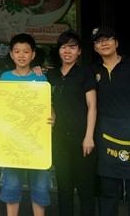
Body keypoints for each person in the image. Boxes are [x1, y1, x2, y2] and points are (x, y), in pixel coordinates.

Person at [91, 26, 130, 216]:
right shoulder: (93, 70)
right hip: (107, 136)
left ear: (116, 43)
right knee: (108, 192)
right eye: (99, 41)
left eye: (108, 39)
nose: (104, 43)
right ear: (95, 48)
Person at [0, 33, 52, 216]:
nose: (21, 55)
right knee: (11, 186)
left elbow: (48, 107)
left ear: (33, 54)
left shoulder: (41, 79)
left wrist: (52, 118)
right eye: (17, 51)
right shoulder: (4, 78)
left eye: (26, 51)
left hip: (36, 141)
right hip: (11, 142)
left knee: (40, 187)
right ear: (11, 54)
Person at [47, 30, 97, 216]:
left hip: (82, 138)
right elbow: (46, 102)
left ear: (79, 51)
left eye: (72, 47)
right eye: (63, 47)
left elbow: (92, 106)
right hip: (59, 138)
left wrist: (89, 137)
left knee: (85, 188)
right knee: (63, 188)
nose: (67, 51)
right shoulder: (51, 75)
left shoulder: (85, 73)